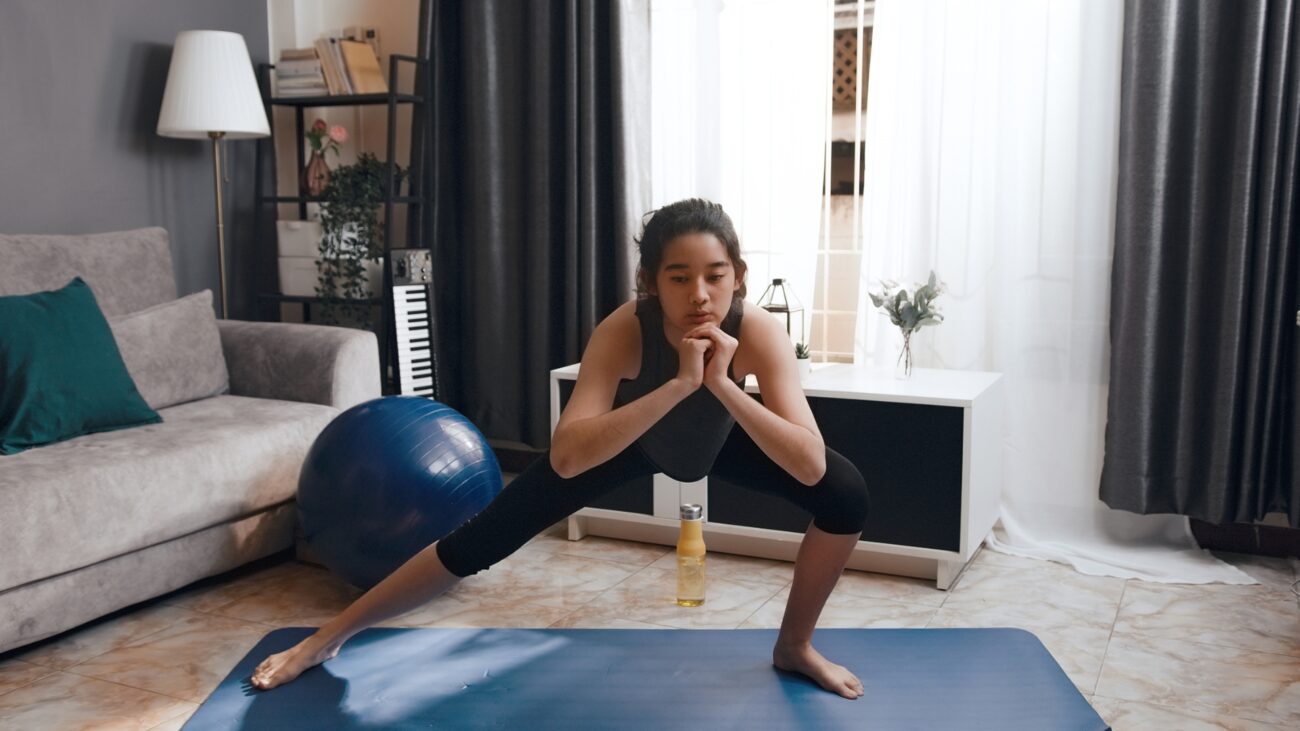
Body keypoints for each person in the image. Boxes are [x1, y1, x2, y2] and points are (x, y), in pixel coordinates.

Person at [251, 198, 870, 699]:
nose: (700, 295)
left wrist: (721, 390)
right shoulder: (625, 329)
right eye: (679, 278)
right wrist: (681, 384)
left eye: (715, 277)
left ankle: (794, 646)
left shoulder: (759, 330)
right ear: (650, 283)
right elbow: (570, 455)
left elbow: (811, 464)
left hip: (727, 435)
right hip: (633, 438)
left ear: (738, 277)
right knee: (482, 537)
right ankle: (325, 640)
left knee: (845, 495)